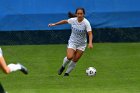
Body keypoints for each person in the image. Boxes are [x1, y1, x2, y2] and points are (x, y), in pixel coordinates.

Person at [48, 8, 93, 76]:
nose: (79, 15)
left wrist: (90, 43)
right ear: (76, 14)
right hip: (73, 42)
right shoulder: (73, 20)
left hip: (82, 44)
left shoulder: (86, 23)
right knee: (69, 57)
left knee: (75, 60)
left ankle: (66, 74)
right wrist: (54, 24)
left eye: (81, 14)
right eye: (78, 13)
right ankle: (63, 66)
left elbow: (90, 33)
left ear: (84, 14)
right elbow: (64, 21)